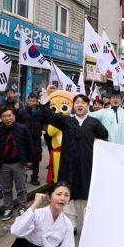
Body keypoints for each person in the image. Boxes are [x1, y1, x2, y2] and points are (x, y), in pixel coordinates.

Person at [45, 92, 109, 231]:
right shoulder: (66, 121)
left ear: (87, 105)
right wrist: (46, 98)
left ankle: (88, 224)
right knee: (67, 193)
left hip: (87, 165)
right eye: (77, 103)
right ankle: (71, 224)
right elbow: (48, 116)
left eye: (83, 103)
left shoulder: (94, 122)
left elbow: (105, 135)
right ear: (73, 105)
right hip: (68, 165)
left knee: (87, 194)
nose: (80, 105)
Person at [0, 106, 33, 221]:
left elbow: (29, 145)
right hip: (4, 164)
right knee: (6, 189)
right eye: (4, 116)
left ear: (14, 116)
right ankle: (8, 209)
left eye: (9, 115)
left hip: (19, 163)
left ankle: (22, 207)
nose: (7, 118)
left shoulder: (22, 128)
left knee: (21, 188)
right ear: (1, 118)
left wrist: (29, 160)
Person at [20, 93, 44, 186]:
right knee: (24, 158)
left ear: (37, 101)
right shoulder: (22, 111)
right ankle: (23, 176)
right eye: (30, 101)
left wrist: (44, 129)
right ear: (28, 100)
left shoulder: (40, 111)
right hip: (25, 139)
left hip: (36, 139)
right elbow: (18, 122)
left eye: (34, 101)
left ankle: (34, 177)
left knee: (36, 159)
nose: (32, 103)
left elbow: (44, 122)